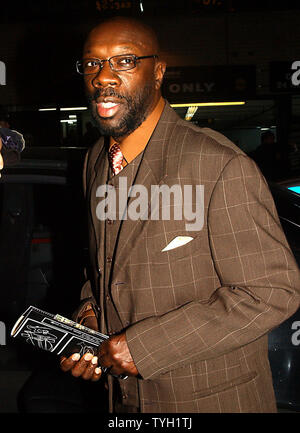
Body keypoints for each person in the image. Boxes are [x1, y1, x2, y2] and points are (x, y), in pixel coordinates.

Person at [60, 16, 300, 413]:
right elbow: (104, 266)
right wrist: (89, 315)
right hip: (124, 402)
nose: (103, 77)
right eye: (92, 64)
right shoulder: (95, 162)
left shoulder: (217, 164)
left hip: (209, 399)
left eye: (124, 61)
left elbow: (274, 291)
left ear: (158, 73)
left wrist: (142, 347)